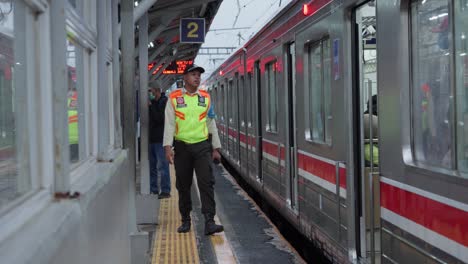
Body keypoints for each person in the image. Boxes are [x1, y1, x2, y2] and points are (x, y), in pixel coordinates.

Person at [163, 64, 224, 235]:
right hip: (182, 148)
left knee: (207, 183)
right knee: (183, 185)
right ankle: (185, 220)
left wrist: (216, 148)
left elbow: (211, 123)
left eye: (198, 75)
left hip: (202, 147)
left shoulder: (205, 97)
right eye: (193, 75)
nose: (197, 78)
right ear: (185, 78)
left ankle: (209, 221)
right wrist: (167, 148)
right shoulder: (174, 98)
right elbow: (169, 124)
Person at [149, 87, 171, 199]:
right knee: (152, 166)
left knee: (163, 165)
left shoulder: (164, 102)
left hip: (161, 139)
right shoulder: (153, 102)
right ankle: (153, 189)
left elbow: (159, 118)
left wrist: (151, 106)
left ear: (157, 91)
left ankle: (166, 190)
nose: (150, 95)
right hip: (151, 139)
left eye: (151, 92)